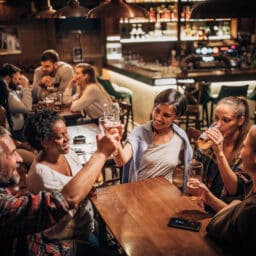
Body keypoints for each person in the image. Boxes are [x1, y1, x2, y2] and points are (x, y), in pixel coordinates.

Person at [0, 125, 120, 255]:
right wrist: (101, 153)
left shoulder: (67, 154)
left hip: (47, 244)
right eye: (12, 153)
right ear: (45, 143)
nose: (19, 159)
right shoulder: (4, 206)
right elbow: (64, 201)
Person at [23, 109, 97, 244]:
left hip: (84, 227)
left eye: (66, 132)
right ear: (44, 142)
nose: (67, 138)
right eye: (60, 136)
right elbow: (73, 198)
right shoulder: (41, 174)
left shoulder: (66, 152)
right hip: (64, 240)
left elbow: (81, 182)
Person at [113, 88, 193, 188]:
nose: (158, 118)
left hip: (165, 193)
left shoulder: (181, 137)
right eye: (157, 110)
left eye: (166, 115)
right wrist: (116, 142)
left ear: (177, 117)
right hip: (139, 191)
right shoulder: (139, 133)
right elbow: (121, 160)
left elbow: (187, 164)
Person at [202, 125, 256, 254]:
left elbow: (214, 227)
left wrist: (235, 204)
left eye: (244, 147)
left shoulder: (252, 210)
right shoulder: (250, 185)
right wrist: (209, 198)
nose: (239, 153)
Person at [194, 96, 252, 215]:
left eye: (226, 120)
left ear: (240, 121)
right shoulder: (208, 142)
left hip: (225, 214)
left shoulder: (245, 151)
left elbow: (233, 190)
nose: (218, 125)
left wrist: (219, 154)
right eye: (216, 118)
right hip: (201, 205)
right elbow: (195, 169)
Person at [0, 63, 32, 141]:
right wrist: (26, 87)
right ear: (7, 79)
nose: (19, 82)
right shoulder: (7, 95)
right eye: (17, 79)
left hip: (20, 131)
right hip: (15, 134)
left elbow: (29, 98)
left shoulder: (12, 90)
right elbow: (27, 108)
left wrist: (25, 88)